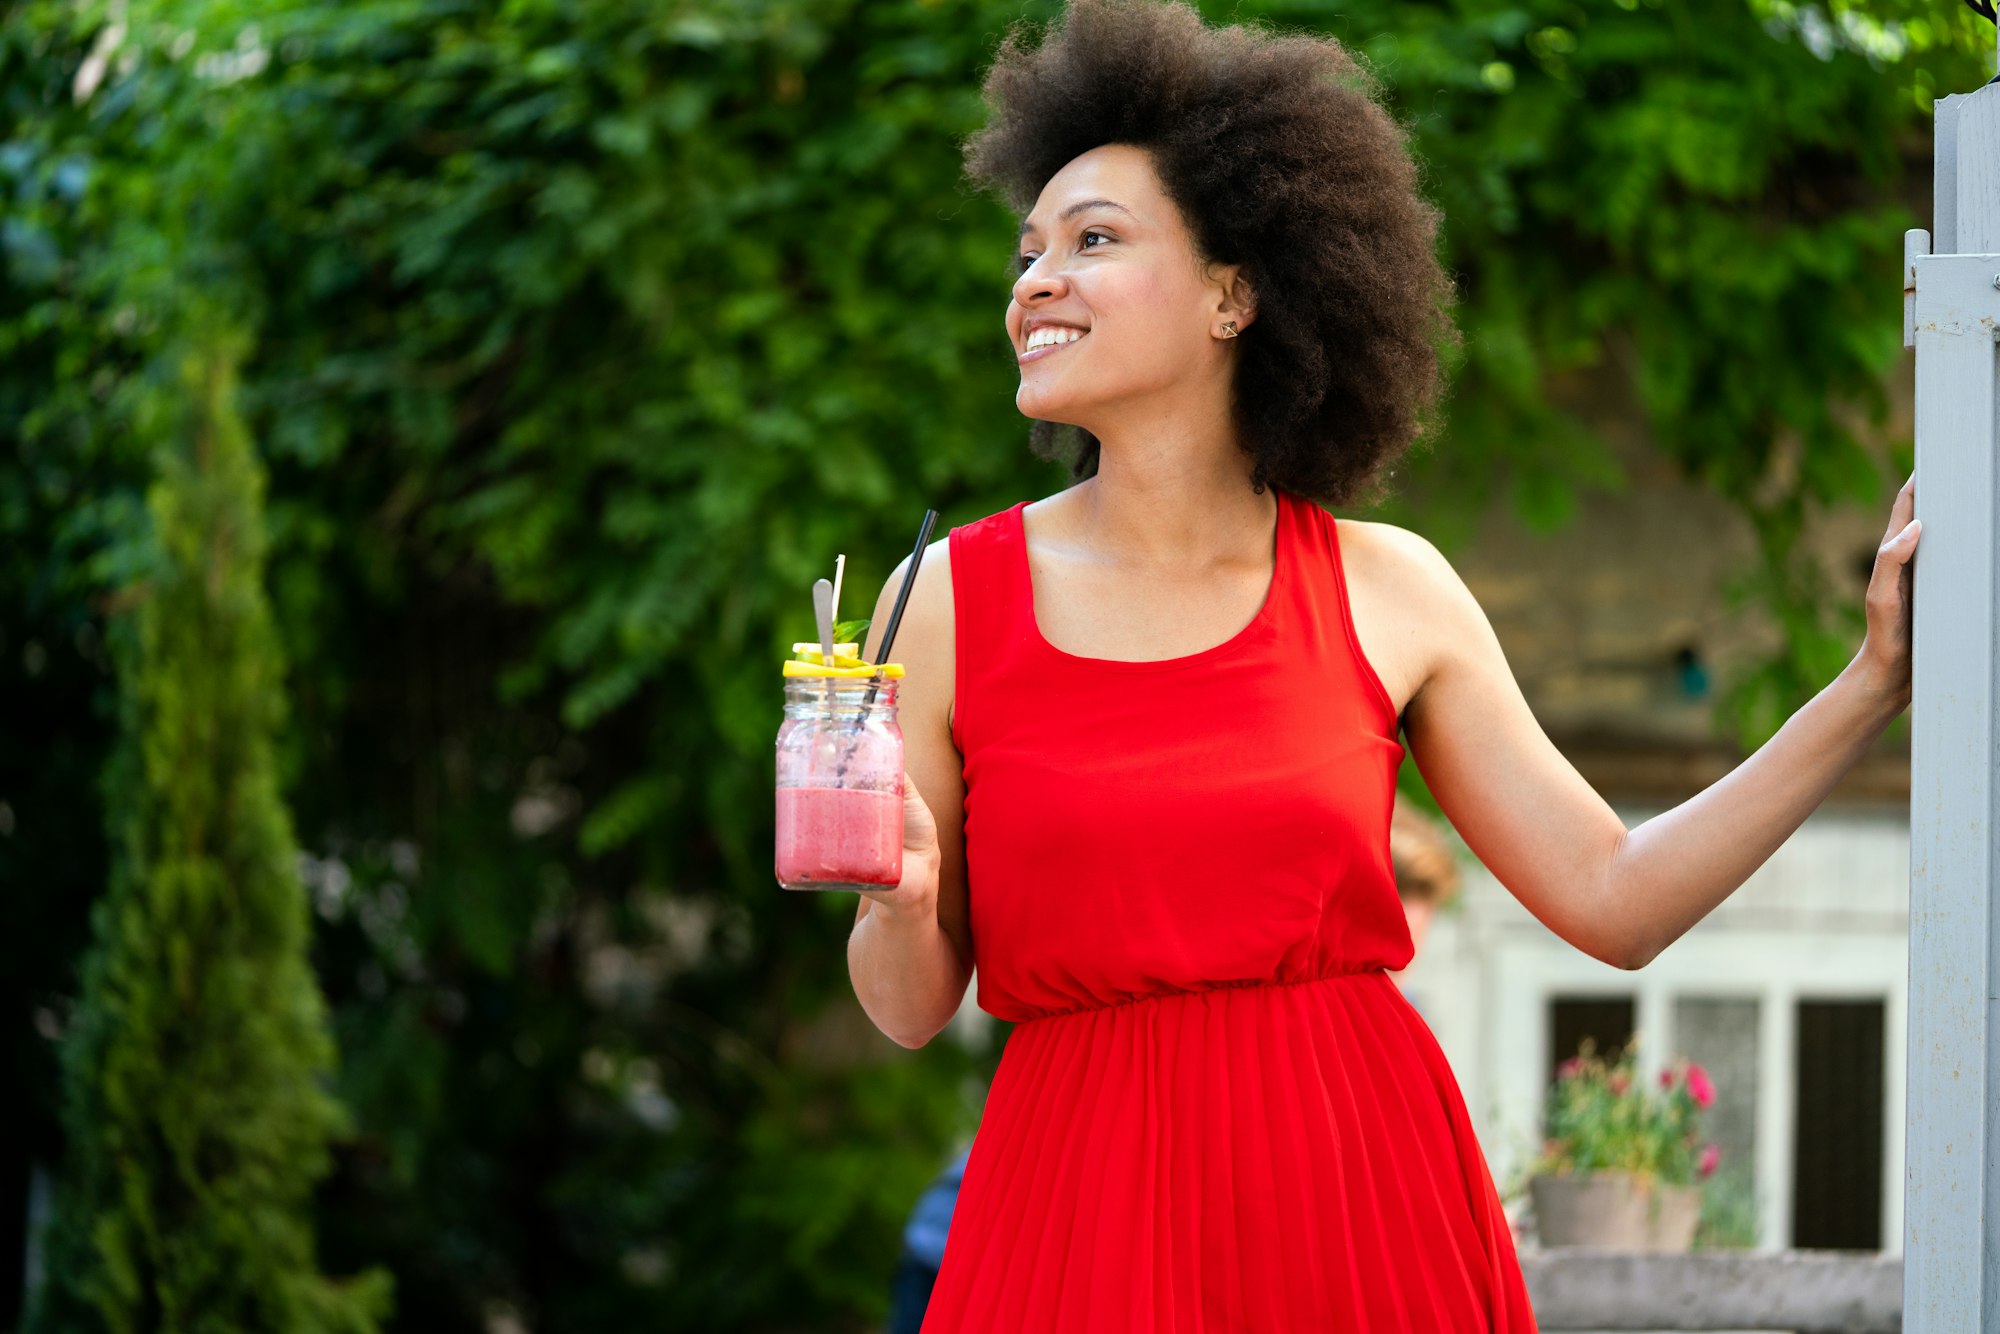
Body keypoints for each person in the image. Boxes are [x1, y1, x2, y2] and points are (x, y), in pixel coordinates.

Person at [847, 1, 1919, 1328]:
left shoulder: (1388, 586)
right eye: (1028, 251)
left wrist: (1870, 682)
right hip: (1076, 1211)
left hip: (1356, 1207)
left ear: (1237, 293)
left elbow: (1617, 899)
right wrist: (897, 896)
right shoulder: (940, 602)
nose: (1035, 283)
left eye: (1095, 241)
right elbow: (909, 1010)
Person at [884, 797, 1463, 1333]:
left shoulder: (1368, 1028)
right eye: (1378, 960)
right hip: (978, 1246)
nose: (1385, 979)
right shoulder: (1225, 993)